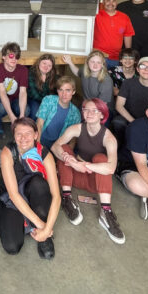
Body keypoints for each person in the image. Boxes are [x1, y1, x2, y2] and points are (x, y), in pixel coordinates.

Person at [51, 98, 124, 244]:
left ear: (102, 115)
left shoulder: (109, 137)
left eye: (94, 111)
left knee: (101, 158)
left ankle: (106, 211)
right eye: (86, 110)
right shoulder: (77, 128)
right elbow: (55, 146)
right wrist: (69, 158)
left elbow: (111, 168)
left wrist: (83, 166)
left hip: (94, 181)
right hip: (74, 177)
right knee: (64, 149)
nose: (89, 113)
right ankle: (66, 197)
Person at [0, 118, 60, 258]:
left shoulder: (44, 153)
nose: (24, 138)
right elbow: (13, 195)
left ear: (36, 135)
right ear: (13, 135)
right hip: (11, 200)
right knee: (12, 247)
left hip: (35, 194)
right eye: (19, 134)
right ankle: (34, 224)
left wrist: (46, 229)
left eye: (28, 133)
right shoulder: (8, 153)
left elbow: (56, 196)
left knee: (39, 184)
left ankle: (43, 237)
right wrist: (42, 225)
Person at [112, 56, 148, 146]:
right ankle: (122, 147)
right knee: (118, 122)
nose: (146, 69)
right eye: (142, 66)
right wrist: (134, 122)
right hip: (129, 118)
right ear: (138, 69)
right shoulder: (128, 83)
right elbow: (119, 106)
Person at [0, 42, 29, 139]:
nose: (14, 59)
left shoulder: (23, 70)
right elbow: (2, 93)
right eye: (11, 56)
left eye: (17, 57)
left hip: (15, 99)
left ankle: (20, 125)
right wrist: (11, 116)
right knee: (0, 107)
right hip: (1, 99)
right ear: (4, 56)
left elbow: (23, 92)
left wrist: (22, 115)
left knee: (27, 110)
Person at [36, 76, 81, 149]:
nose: (64, 94)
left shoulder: (76, 113)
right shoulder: (48, 100)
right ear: (57, 91)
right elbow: (39, 124)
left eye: (68, 90)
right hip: (41, 139)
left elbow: (73, 139)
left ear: (73, 92)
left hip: (58, 145)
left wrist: (69, 153)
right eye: (61, 90)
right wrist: (37, 144)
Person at [93, 0, 135, 69]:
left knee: (114, 80)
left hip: (117, 58)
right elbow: (84, 12)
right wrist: (91, 0)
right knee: (99, 80)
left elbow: (128, 35)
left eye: (113, 1)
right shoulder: (96, 15)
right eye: (108, 1)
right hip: (99, 57)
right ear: (103, 3)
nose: (111, 4)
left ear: (117, 3)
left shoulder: (124, 17)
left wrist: (128, 56)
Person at [27, 54, 57, 120]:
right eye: (44, 63)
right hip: (32, 99)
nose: (46, 67)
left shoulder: (52, 75)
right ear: (39, 62)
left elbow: (56, 90)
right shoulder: (31, 73)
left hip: (46, 99)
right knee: (35, 110)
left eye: (49, 65)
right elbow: (34, 94)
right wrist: (47, 102)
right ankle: (33, 128)